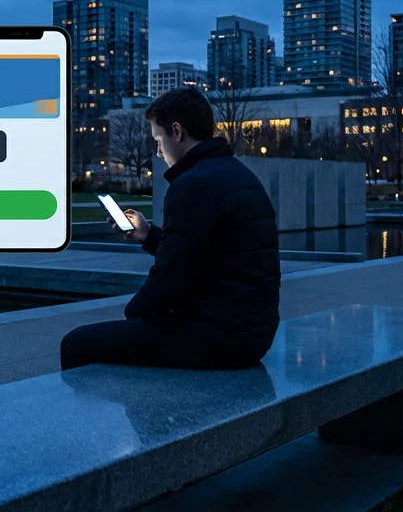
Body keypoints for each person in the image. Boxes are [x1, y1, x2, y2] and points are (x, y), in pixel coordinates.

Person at [60, 86, 281, 371]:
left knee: (76, 343)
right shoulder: (237, 173)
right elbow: (203, 254)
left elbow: (170, 279)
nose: (158, 150)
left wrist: (134, 315)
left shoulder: (192, 184)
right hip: (255, 332)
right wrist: (147, 234)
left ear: (177, 132)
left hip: (219, 337)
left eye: (158, 139)